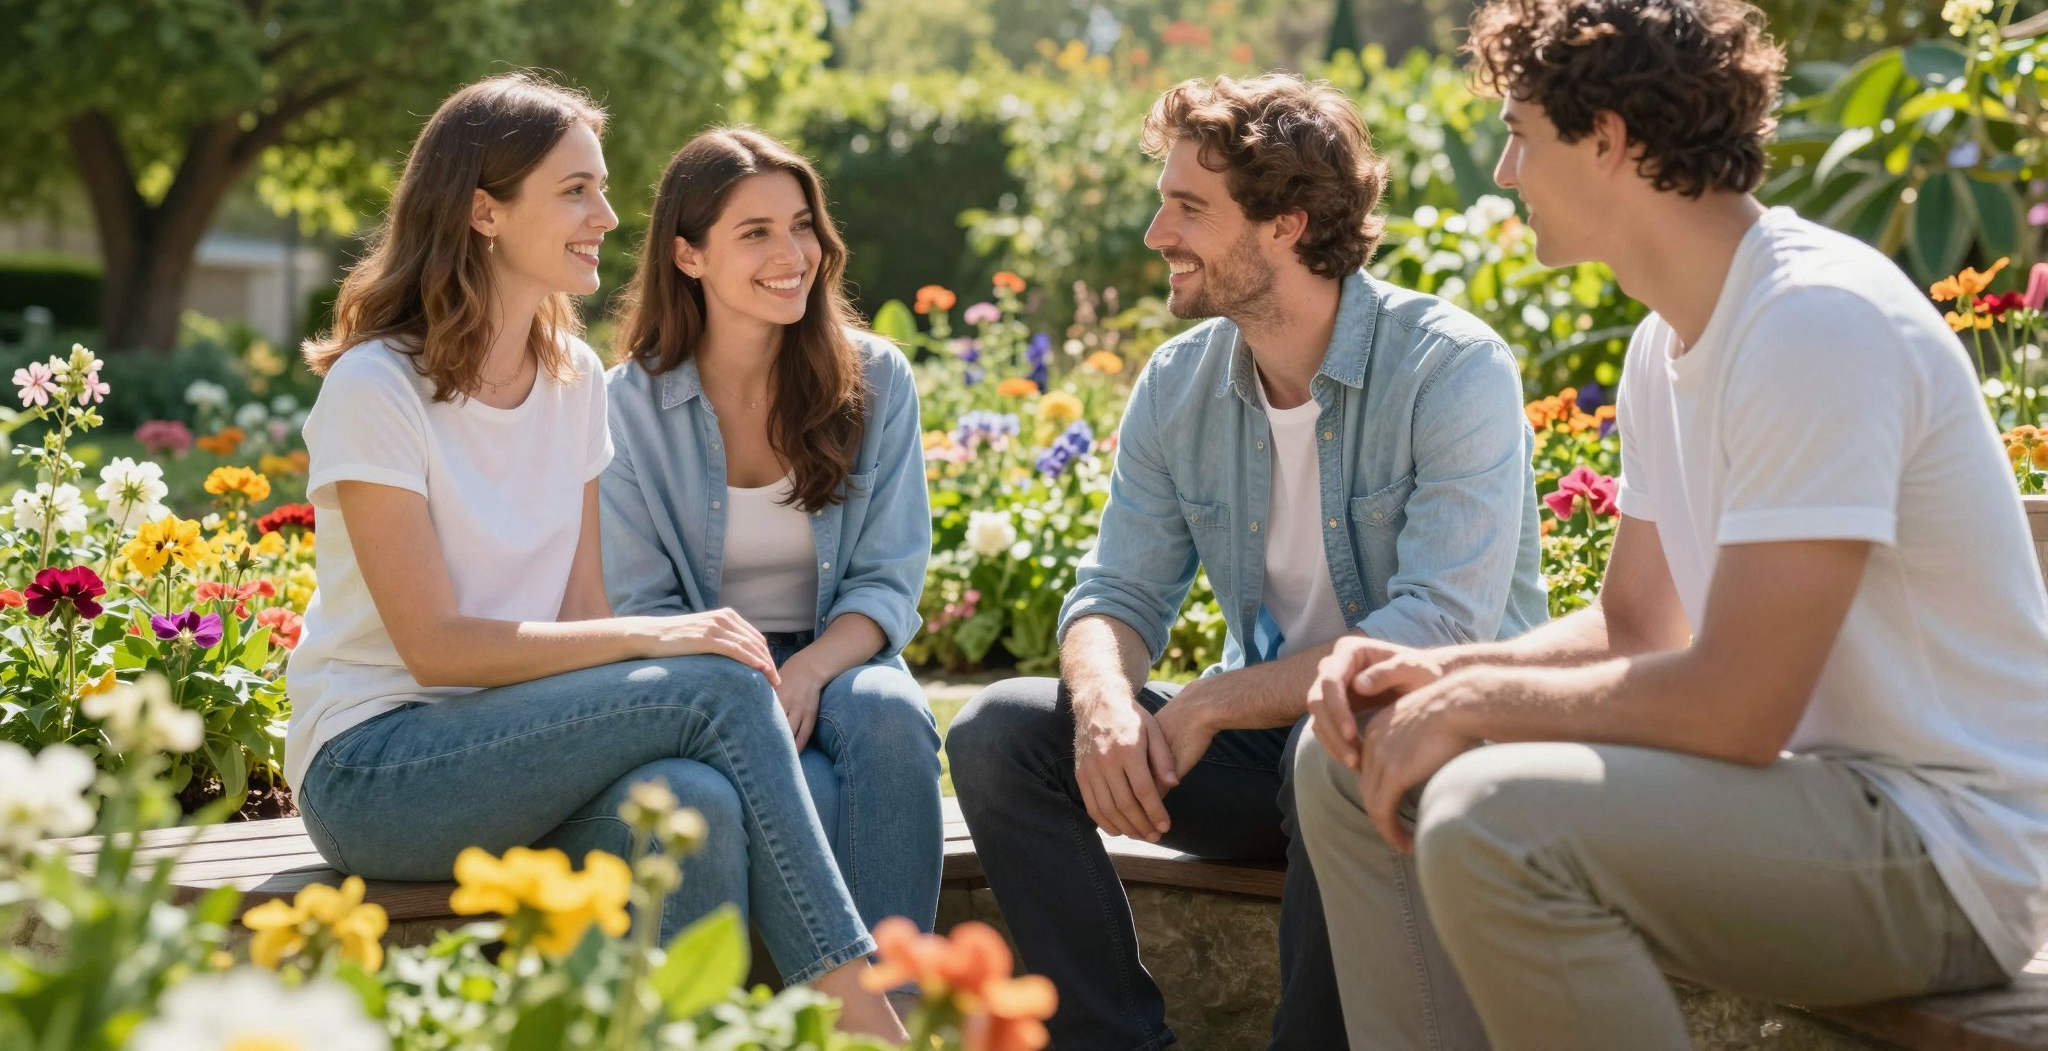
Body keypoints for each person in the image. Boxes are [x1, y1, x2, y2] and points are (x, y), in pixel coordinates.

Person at [1296, 0, 2048, 1050]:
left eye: (1521, 132)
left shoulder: (1811, 323)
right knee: (1345, 749)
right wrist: (1435, 673)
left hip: (1942, 852)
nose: (1504, 172)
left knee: (1492, 825)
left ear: (1605, 139)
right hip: (1802, 812)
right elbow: (1635, 624)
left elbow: (1734, 709)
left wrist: (1471, 706)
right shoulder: (1667, 339)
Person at [286, 75, 902, 1041]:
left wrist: (653, 658)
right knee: (720, 676)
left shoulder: (572, 376)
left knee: (688, 804)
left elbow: (579, 617)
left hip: (527, 750)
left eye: (603, 189)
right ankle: (867, 1023)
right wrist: (675, 642)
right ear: (485, 210)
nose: (609, 217)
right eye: (576, 191)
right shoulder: (378, 386)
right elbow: (435, 649)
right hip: (380, 770)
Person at [946, 72, 1544, 1051]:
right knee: (998, 735)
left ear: (1286, 225)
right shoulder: (1181, 382)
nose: (1156, 234)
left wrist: (1210, 704)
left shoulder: (1448, 367)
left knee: (1335, 738)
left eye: (1187, 207)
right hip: (1272, 761)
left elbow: (1434, 635)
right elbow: (1118, 590)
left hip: (1431, 753)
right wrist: (1102, 705)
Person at [601, 127, 943, 938]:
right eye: (755, 233)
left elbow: (888, 578)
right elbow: (640, 603)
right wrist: (752, 684)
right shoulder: (624, 407)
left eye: (801, 226)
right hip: (698, 675)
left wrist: (810, 672)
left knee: (890, 717)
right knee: (815, 796)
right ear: (688, 257)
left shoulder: (878, 379)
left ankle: (892, 1007)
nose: (792, 252)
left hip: (842, 653)